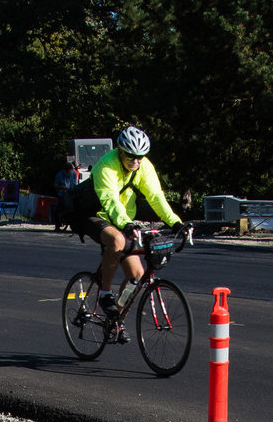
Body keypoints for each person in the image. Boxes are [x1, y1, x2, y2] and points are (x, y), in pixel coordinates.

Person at [73, 126, 183, 322]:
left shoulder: (144, 166)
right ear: (121, 151)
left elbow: (156, 197)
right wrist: (126, 224)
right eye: (131, 156)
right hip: (96, 215)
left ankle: (116, 319)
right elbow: (110, 201)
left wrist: (176, 223)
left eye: (140, 156)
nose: (136, 161)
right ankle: (106, 294)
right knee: (116, 240)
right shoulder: (106, 166)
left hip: (124, 221)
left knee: (137, 275)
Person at [52, 160, 81, 231]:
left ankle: (75, 224)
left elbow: (76, 185)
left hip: (71, 195)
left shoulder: (74, 174)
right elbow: (55, 185)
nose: (68, 172)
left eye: (69, 170)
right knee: (58, 209)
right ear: (64, 170)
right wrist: (61, 187)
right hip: (62, 195)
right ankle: (57, 225)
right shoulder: (59, 174)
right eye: (66, 171)